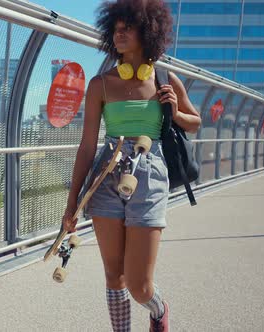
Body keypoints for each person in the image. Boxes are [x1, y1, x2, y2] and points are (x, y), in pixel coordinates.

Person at [62, 1, 201, 331]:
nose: (120, 32)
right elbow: (86, 147)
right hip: (106, 177)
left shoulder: (166, 79)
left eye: (129, 27)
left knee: (139, 285)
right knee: (114, 276)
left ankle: (158, 309)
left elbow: (194, 122)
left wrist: (175, 112)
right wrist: (72, 204)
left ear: (148, 31)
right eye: (116, 27)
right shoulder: (101, 84)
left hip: (150, 178)